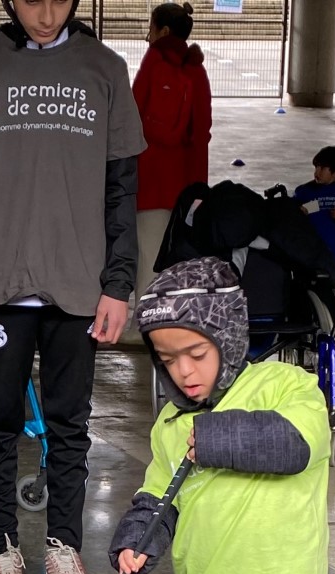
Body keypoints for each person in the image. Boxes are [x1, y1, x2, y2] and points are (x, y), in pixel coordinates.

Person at [0, 0, 145, 574]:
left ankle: (64, 545)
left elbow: (122, 190)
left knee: (69, 426)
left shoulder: (105, 69)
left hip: (77, 288)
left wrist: (118, 284)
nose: (46, 13)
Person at [109, 256, 330, 574]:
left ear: (227, 342)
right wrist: (140, 536)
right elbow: (159, 493)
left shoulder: (284, 386)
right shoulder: (171, 421)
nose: (184, 372)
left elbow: (296, 444)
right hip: (208, 571)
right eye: (168, 359)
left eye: (196, 353)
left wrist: (212, 436)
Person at [131, 1, 211, 329]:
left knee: (148, 256)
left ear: (163, 31)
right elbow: (202, 131)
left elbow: (133, 116)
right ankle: (173, 322)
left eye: (151, 28)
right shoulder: (196, 69)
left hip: (150, 179)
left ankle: (146, 325)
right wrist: (199, 186)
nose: (148, 36)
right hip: (186, 182)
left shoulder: (154, 61)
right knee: (178, 257)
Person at [293, 145, 335, 317]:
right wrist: (299, 211)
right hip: (308, 248)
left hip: (333, 250)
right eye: (316, 167)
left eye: (322, 168)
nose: (317, 172)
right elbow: (292, 212)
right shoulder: (304, 191)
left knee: (334, 279)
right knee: (306, 278)